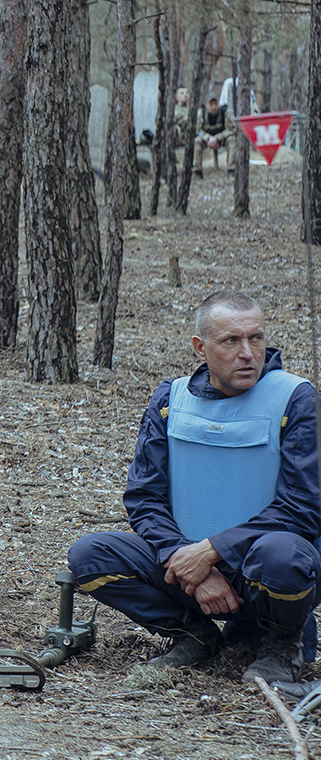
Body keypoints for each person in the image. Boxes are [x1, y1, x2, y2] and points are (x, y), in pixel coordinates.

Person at [68, 291, 319, 684]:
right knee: (91, 556)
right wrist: (186, 561)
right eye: (231, 341)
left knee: (283, 556)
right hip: (185, 569)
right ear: (201, 348)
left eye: (256, 338)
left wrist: (212, 551)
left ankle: (282, 644)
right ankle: (192, 634)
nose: (249, 353)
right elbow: (144, 498)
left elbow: (303, 508)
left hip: (263, 569)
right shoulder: (171, 399)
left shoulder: (296, 398)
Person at [196, 95, 234, 176]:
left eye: (215, 104)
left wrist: (217, 138)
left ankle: (231, 170)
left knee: (232, 140)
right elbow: (198, 130)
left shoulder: (225, 112)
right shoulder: (201, 113)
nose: (214, 107)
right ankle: (197, 171)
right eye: (211, 104)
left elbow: (231, 129)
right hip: (206, 139)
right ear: (206, 105)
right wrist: (208, 138)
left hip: (222, 138)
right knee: (197, 142)